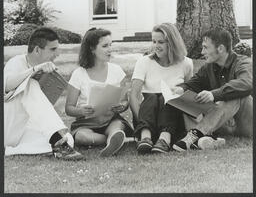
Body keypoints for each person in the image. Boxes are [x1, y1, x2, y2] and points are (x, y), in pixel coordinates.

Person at [4, 27, 84, 160]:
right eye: (53, 49)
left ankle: (11, 150)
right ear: (36, 50)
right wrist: (34, 71)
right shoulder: (16, 62)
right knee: (30, 83)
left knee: (68, 139)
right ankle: (56, 139)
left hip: (23, 129)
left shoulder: (46, 70)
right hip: (8, 124)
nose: (57, 53)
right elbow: (6, 85)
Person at [172, 28, 253, 152]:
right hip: (222, 124)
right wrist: (181, 89)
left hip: (248, 124)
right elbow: (193, 83)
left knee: (234, 94)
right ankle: (204, 140)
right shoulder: (208, 67)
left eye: (205, 47)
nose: (202, 52)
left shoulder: (243, 63)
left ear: (220, 48)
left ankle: (193, 135)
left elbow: (246, 83)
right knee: (187, 99)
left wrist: (214, 94)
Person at [65, 28, 133, 157]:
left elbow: (125, 101)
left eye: (110, 45)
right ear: (92, 49)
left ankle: (114, 137)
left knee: (117, 126)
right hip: (86, 123)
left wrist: (122, 106)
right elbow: (69, 108)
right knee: (82, 137)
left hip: (110, 120)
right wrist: (81, 111)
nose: (110, 49)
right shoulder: (79, 74)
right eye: (105, 46)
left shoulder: (117, 71)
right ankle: (110, 140)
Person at [130, 23, 193, 154]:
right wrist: (142, 122)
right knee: (152, 97)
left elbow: (189, 93)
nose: (155, 46)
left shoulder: (186, 63)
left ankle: (165, 139)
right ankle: (145, 138)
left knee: (166, 97)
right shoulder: (144, 62)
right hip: (147, 118)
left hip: (172, 119)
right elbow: (134, 96)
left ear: (172, 43)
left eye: (161, 42)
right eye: (153, 41)